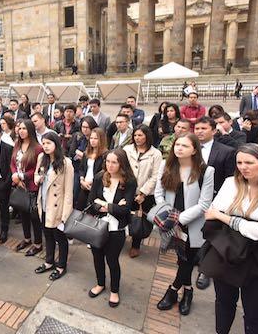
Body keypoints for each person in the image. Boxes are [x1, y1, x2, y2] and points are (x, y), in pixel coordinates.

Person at [204, 144, 258, 334]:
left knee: (255, 314)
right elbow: (211, 214)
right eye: (239, 162)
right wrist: (254, 220)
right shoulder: (230, 183)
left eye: (249, 162)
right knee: (223, 303)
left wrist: (226, 217)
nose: (243, 167)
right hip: (228, 251)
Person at [154, 133, 214, 315]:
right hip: (170, 221)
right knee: (182, 259)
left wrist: (179, 219)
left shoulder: (206, 171)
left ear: (194, 149)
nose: (179, 148)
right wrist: (167, 214)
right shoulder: (166, 165)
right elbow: (158, 193)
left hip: (192, 224)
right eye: (177, 144)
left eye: (185, 146)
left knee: (187, 259)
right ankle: (187, 289)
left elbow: (204, 204)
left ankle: (173, 290)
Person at [86, 149, 137, 308]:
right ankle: (100, 283)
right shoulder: (100, 177)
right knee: (97, 256)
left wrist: (104, 205)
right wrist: (112, 206)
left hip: (116, 228)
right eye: (108, 161)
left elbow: (126, 209)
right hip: (98, 225)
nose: (110, 165)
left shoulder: (128, 182)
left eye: (114, 162)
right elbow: (90, 203)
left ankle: (114, 290)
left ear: (121, 163)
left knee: (112, 260)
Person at [33, 132, 74, 280]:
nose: (45, 146)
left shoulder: (66, 163)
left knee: (60, 237)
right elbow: (36, 176)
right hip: (43, 203)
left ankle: (61, 265)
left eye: (48, 143)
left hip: (58, 207)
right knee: (47, 235)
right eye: (43, 143)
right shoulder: (41, 158)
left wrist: (65, 215)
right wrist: (39, 179)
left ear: (56, 144)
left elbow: (69, 192)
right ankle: (49, 261)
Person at [124, 125, 162, 258]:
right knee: (122, 214)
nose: (137, 138)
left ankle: (135, 245)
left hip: (145, 193)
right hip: (126, 190)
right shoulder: (127, 149)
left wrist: (143, 193)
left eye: (140, 135)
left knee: (139, 220)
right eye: (135, 135)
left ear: (147, 136)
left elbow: (155, 176)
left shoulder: (155, 153)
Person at [11, 119, 44, 256]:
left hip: (32, 186)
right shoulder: (17, 145)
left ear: (30, 130)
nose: (21, 131)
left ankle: (38, 243)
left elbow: (39, 168)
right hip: (19, 185)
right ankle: (27, 238)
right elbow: (12, 162)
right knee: (23, 213)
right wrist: (15, 175)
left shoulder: (38, 148)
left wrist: (22, 176)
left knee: (34, 216)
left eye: (24, 128)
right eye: (20, 128)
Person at [77, 128, 108, 209]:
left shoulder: (105, 155)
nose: (92, 141)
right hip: (84, 186)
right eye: (91, 138)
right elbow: (81, 169)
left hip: (96, 188)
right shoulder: (86, 153)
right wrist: (82, 180)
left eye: (95, 138)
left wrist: (91, 182)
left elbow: (104, 171)